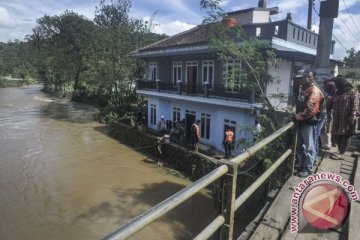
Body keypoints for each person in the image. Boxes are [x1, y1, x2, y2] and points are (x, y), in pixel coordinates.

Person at [292, 69, 324, 178]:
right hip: (302, 122)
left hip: (308, 123)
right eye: (304, 76)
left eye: (309, 77)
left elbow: (310, 111)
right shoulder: (304, 89)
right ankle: (302, 163)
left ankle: (308, 169)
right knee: (299, 146)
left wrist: (296, 116)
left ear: (313, 78)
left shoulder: (314, 92)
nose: (306, 78)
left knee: (309, 147)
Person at [329, 76, 359, 160]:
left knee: (346, 135)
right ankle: (339, 151)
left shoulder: (351, 92)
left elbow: (355, 105)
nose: (336, 86)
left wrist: (352, 116)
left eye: (338, 84)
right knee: (338, 134)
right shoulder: (338, 92)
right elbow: (332, 102)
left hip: (347, 118)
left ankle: (342, 153)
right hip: (337, 118)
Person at [320, 78, 337, 150]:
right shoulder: (333, 96)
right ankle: (326, 143)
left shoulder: (329, 97)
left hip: (327, 114)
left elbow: (326, 107)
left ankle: (327, 144)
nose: (324, 88)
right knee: (326, 129)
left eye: (325, 87)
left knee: (326, 129)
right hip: (329, 114)